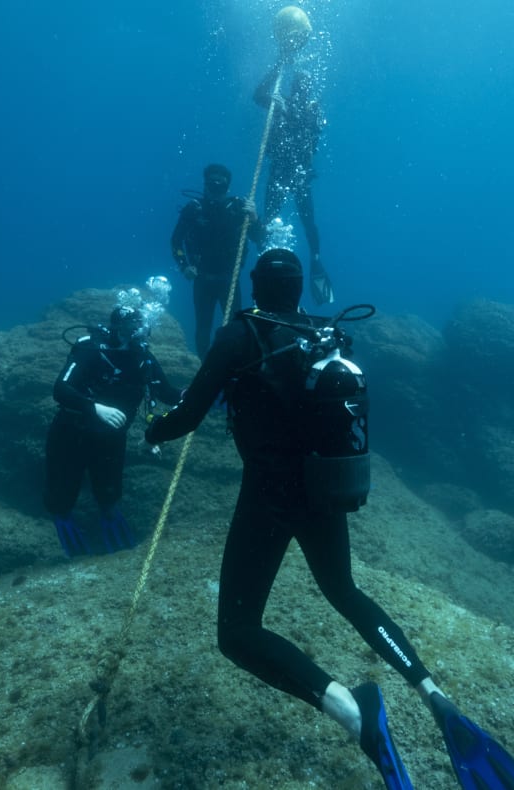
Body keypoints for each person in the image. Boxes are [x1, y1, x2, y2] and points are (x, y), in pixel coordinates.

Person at [144, 248, 435, 787]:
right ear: (299, 288)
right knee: (343, 589)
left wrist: (151, 430)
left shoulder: (239, 334)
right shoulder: (326, 335)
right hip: (327, 488)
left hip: (270, 494)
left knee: (237, 631)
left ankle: (354, 711)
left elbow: (187, 417)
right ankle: (430, 690)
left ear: (253, 286)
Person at [44, 304, 181, 557]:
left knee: (109, 493)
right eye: (132, 328)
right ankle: (63, 523)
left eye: (142, 329)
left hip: (111, 438)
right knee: (63, 490)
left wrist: (200, 395)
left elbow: (167, 393)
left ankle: (109, 522)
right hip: (71, 433)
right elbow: (61, 389)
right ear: (117, 328)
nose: (138, 335)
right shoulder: (90, 348)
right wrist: (94, 407)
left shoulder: (143, 357)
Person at [254, 67, 334, 305]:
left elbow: (316, 129)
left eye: (305, 86)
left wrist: (287, 109)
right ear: (292, 86)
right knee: (268, 221)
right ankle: (265, 265)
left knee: (308, 222)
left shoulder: (313, 110)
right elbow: (257, 95)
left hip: (299, 176)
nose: (301, 89)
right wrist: (277, 68)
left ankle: (315, 258)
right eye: (298, 85)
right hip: (280, 173)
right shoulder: (281, 103)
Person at [170, 163, 267, 360]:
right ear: (205, 185)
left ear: (227, 188)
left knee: (236, 328)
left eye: (220, 186)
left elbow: (259, 239)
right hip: (202, 280)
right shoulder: (194, 209)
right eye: (211, 185)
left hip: (229, 281)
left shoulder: (239, 208)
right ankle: (205, 371)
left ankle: (232, 372)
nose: (215, 190)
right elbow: (175, 241)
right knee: (202, 329)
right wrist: (184, 266)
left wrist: (255, 218)